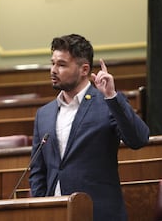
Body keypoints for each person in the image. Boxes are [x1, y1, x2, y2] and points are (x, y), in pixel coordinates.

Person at [28, 34, 150, 220]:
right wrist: (42, 208)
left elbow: (139, 139)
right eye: (52, 63)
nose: (53, 70)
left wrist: (111, 96)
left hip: (99, 212)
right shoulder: (43, 114)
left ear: (84, 69)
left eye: (61, 65)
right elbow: (38, 171)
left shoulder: (107, 103)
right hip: (57, 213)